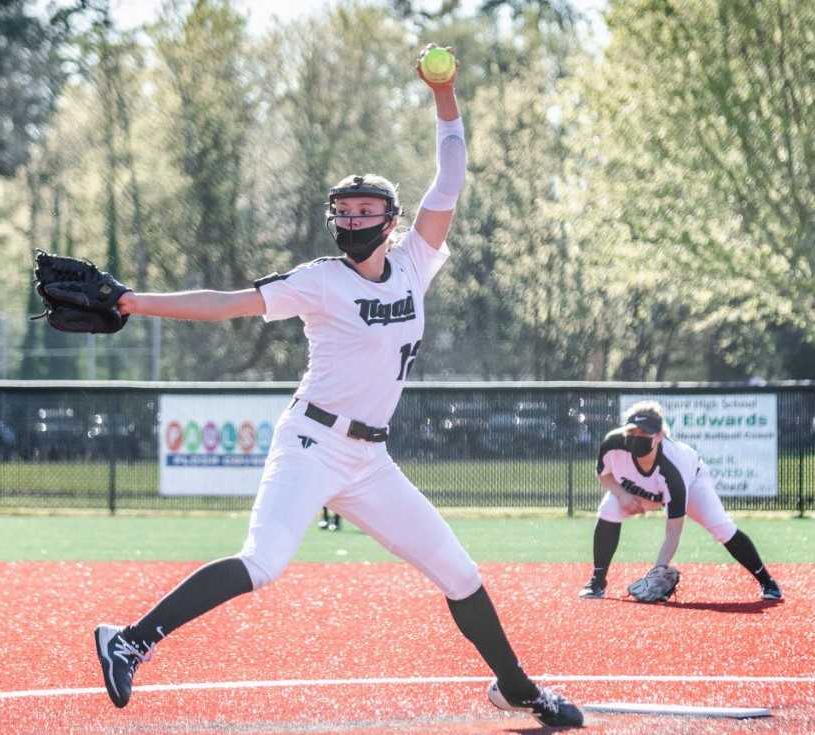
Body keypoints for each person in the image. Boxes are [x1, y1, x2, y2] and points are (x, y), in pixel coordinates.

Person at [92, 45, 582, 728]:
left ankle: (518, 688)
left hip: (369, 460)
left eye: (363, 210)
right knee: (262, 562)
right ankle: (129, 640)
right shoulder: (320, 279)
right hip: (310, 443)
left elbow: (450, 178)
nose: (351, 219)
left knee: (460, 573)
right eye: (342, 211)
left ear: (388, 218)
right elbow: (230, 302)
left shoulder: (415, 261)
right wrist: (136, 302)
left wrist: (445, 95)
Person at [579, 400, 782, 602]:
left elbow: (673, 531)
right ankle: (597, 582)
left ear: (659, 436)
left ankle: (767, 581)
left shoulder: (673, 468)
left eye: (645, 432)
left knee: (721, 526)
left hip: (692, 484)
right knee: (609, 509)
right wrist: (622, 495)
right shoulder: (612, 444)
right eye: (633, 432)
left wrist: (656, 572)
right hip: (634, 489)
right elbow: (604, 475)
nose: (637, 436)